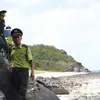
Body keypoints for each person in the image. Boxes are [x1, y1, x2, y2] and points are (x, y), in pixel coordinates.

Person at [10, 28, 35, 100]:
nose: (17, 38)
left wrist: (32, 72)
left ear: (21, 37)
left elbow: (31, 61)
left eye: (18, 37)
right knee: (15, 90)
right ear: (12, 39)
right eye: (15, 37)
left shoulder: (25, 48)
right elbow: (12, 60)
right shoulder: (11, 49)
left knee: (22, 91)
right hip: (14, 71)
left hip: (23, 71)